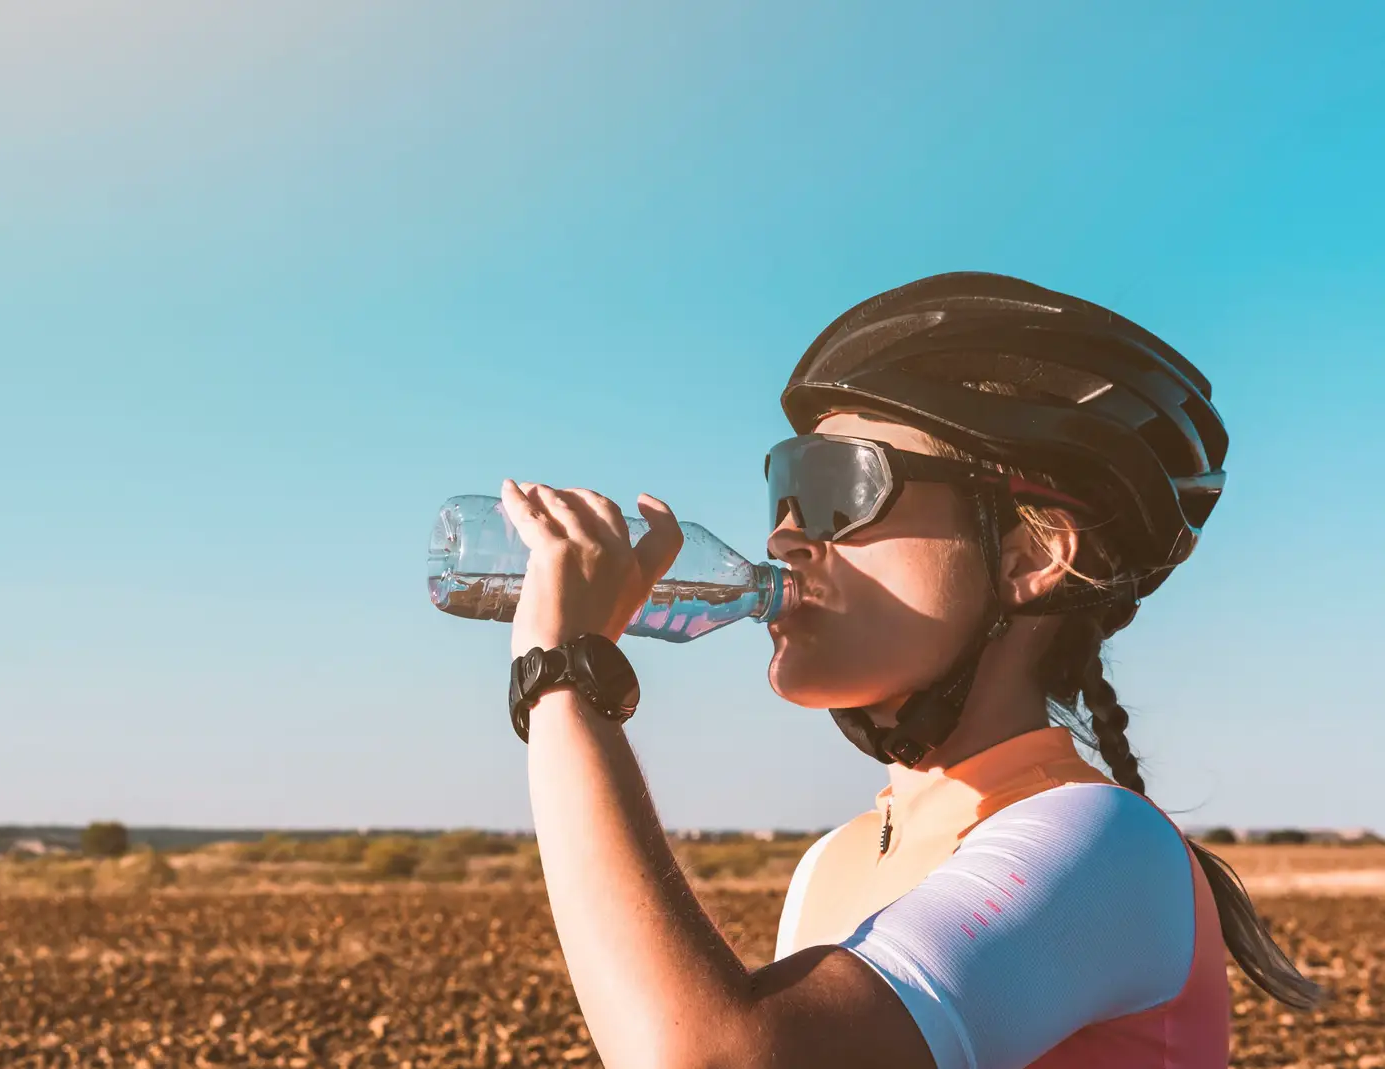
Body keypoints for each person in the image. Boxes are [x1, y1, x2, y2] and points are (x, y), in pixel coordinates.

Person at [496, 272, 1321, 1069]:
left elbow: (712, 1053)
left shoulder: (1107, 845)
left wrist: (564, 673)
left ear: (1032, 554)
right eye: (784, 491)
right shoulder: (832, 861)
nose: (784, 537)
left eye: (837, 489)